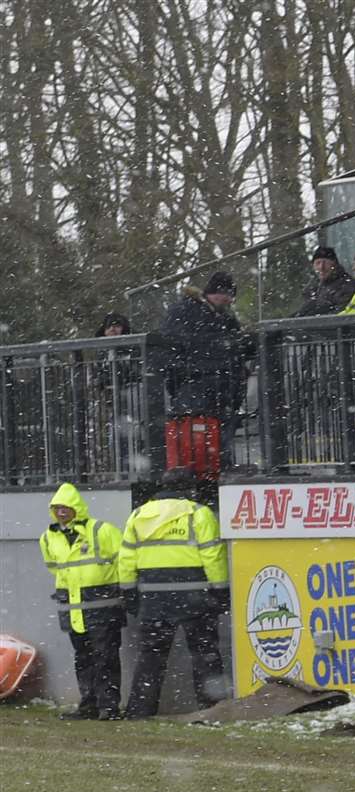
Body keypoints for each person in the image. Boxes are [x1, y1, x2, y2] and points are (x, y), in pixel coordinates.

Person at [119, 470, 228, 719]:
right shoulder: (199, 513)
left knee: (150, 657)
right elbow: (212, 555)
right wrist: (221, 590)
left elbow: (126, 559)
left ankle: (140, 711)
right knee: (204, 654)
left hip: (153, 601)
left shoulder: (138, 515)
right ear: (189, 490)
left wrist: (129, 593)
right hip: (195, 599)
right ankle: (212, 710)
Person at [146, 271, 250, 479]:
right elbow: (178, 344)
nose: (229, 300)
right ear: (217, 293)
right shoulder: (191, 312)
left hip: (214, 384)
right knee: (203, 428)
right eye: (227, 295)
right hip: (198, 383)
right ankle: (205, 467)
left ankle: (213, 465)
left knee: (213, 427)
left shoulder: (217, 316)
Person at [40, 483, 128, 721]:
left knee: (105, 656)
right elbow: (55, 569)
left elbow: (125, 561)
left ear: (77, 508)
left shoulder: (102, 530)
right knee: (84, 657)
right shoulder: (48, 537)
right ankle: (89, 705)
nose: (61, 512)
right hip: (74, 607)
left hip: (101, 606)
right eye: (57, 508)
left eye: (66, 507)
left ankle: (108, 707)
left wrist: (122, 591)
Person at [296, 247, 355, 317]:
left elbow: (341, 315)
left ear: (335, 264)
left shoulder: (346, 285)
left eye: (326, 263)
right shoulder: (312, 285)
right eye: (318, 263)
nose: (321, 267)